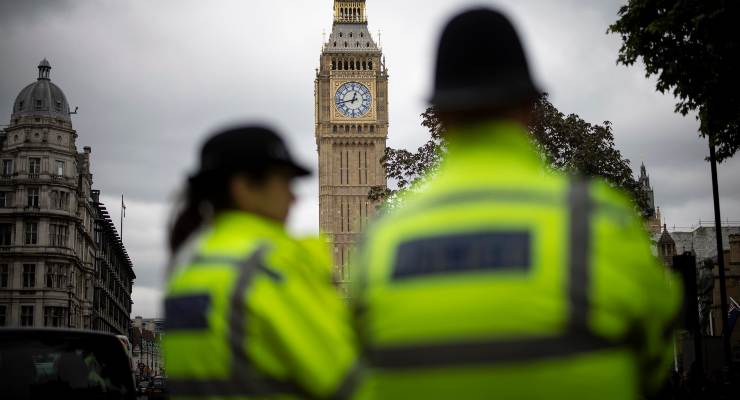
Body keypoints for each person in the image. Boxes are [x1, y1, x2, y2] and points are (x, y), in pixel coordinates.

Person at [350, 8, 681, 400]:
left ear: (438, 114)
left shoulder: (380, 243)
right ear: (530, 107)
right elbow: (659, 357)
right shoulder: (600, 222)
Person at [163, 125, 357, 399]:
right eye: (284, 182)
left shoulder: (186, 271)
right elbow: (348, 383)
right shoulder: (273, 264)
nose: (294, 196)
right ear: (244, 188)